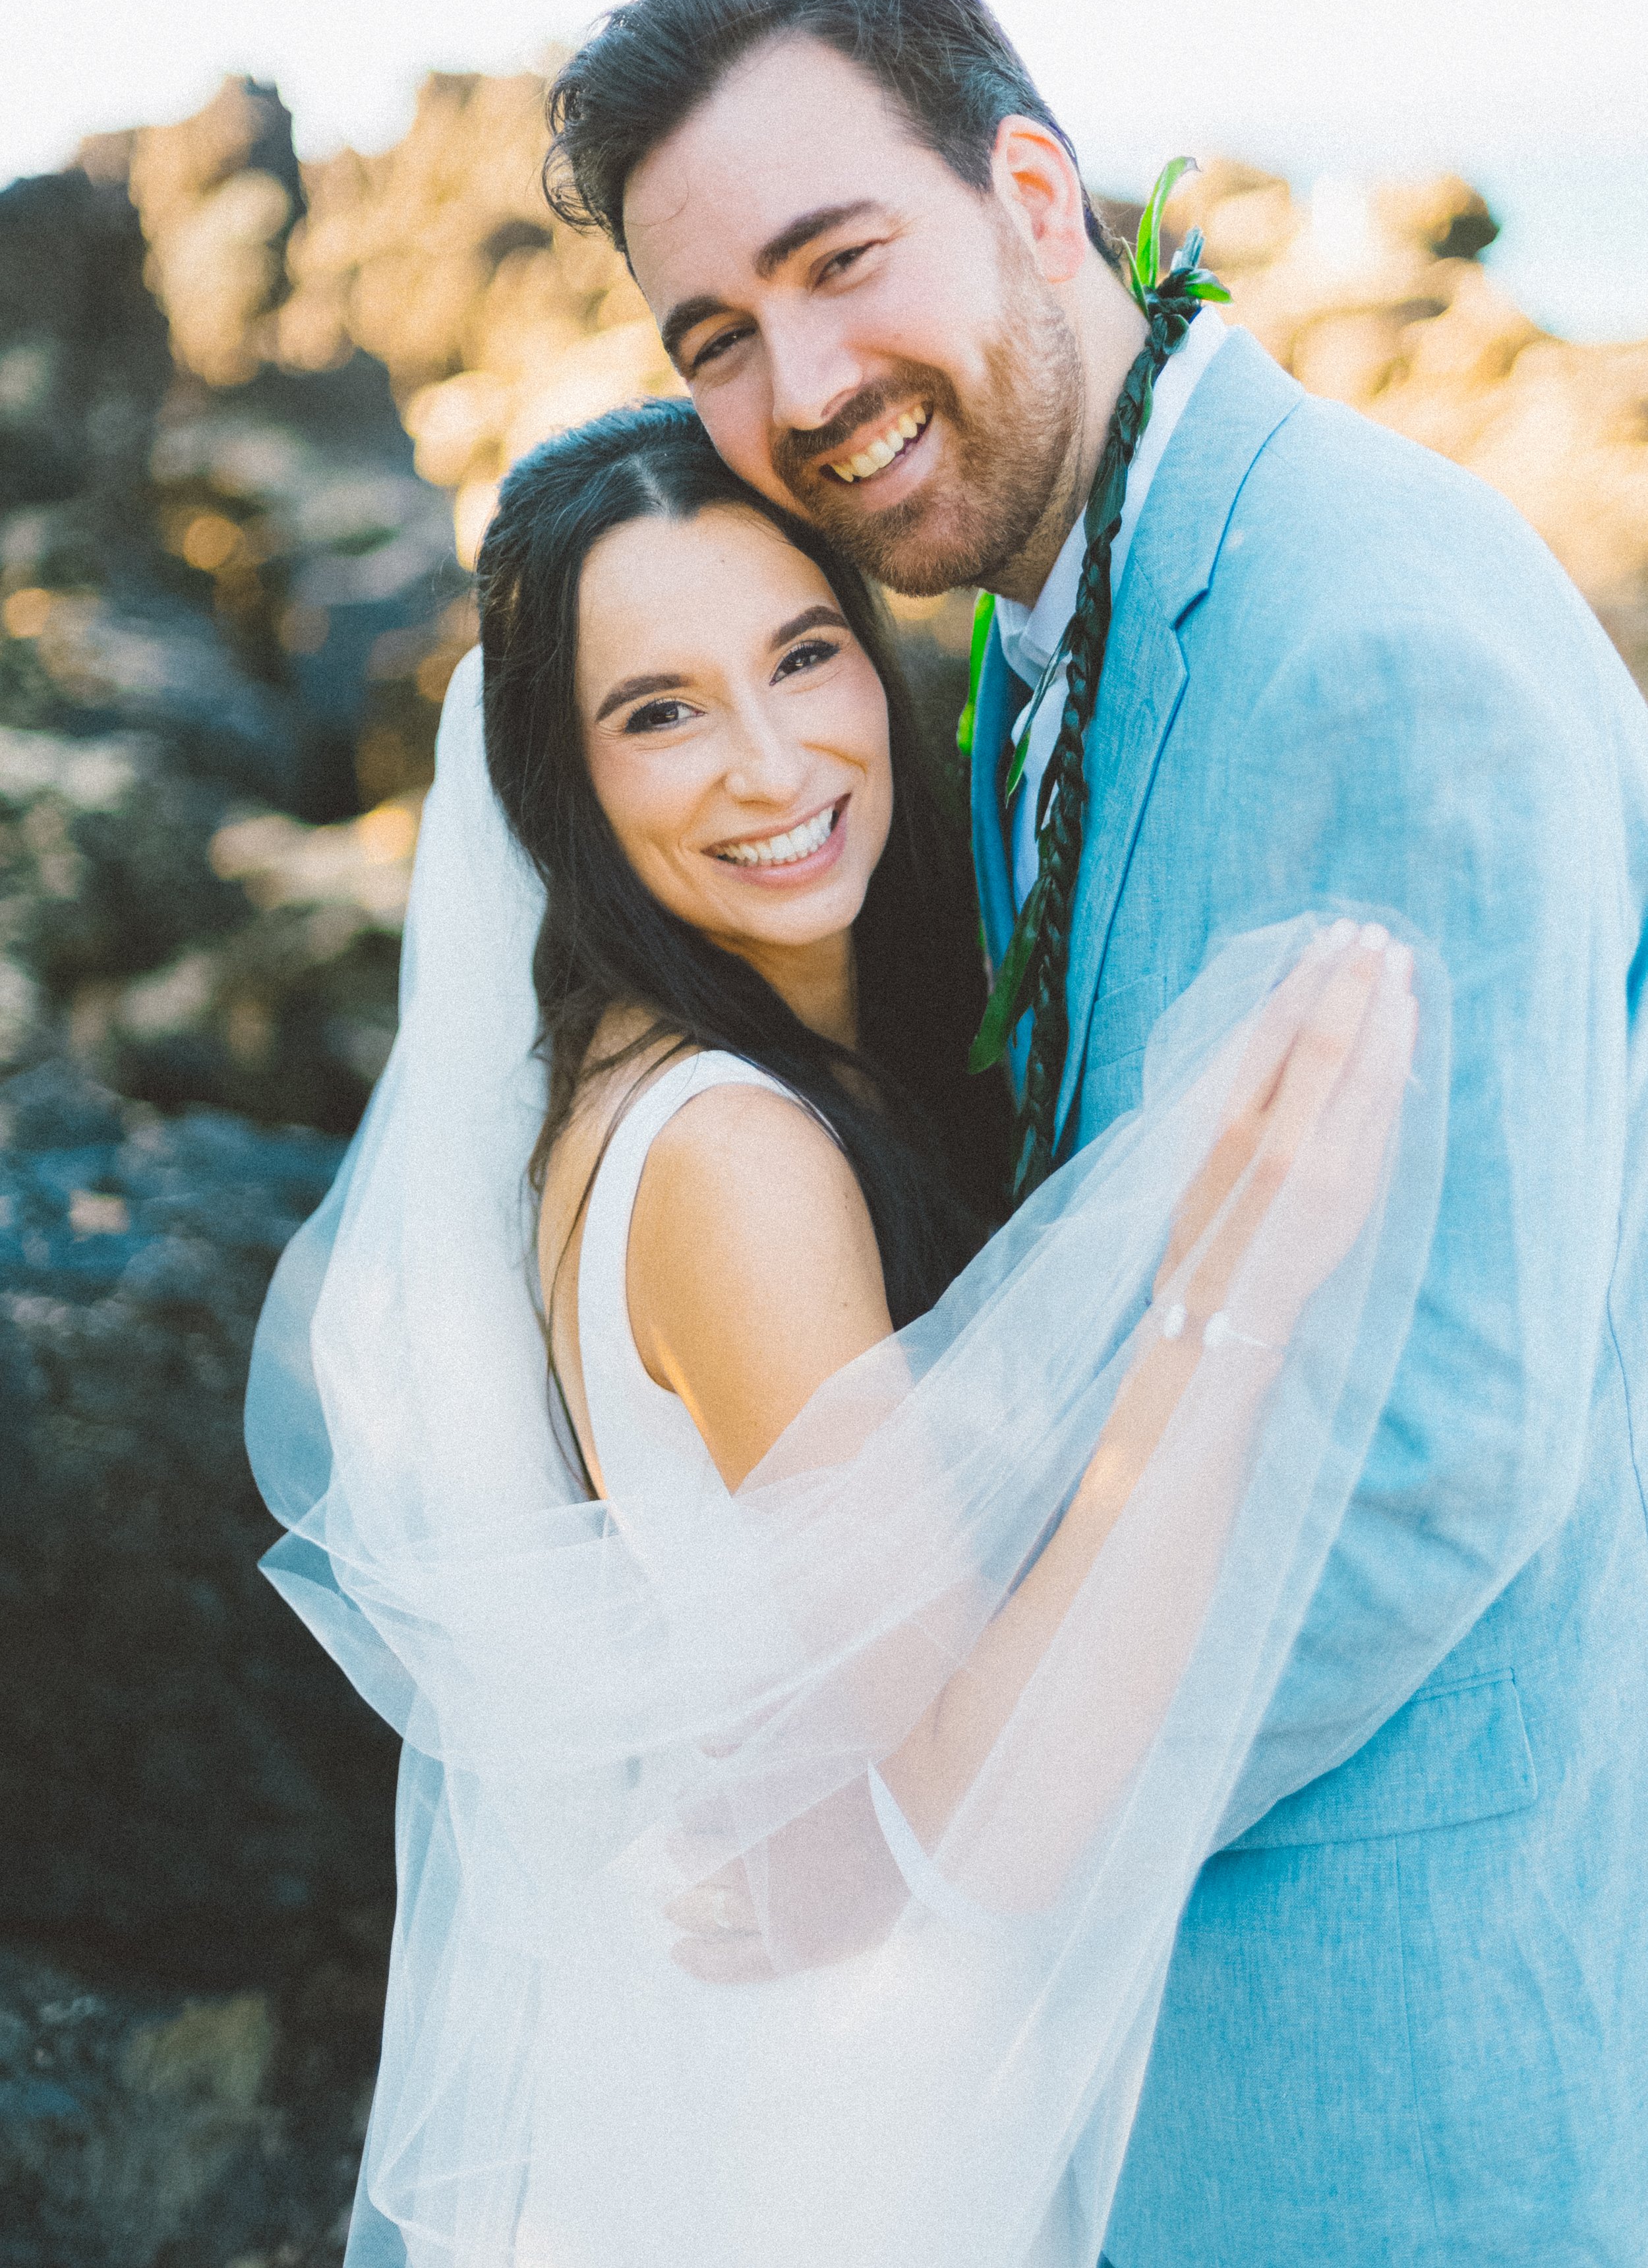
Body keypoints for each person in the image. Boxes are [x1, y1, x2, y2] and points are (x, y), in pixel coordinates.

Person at [539, 0, 1648, 2263]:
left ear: (1034, 191)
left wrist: (963, 1844)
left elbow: (1435, 1451)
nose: (804, 387)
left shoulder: (1365, 640)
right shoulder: (1049, 617)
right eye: (714, 336)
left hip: (1354, 2058)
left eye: (841, 264)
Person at [248, 398, 1432, 2267]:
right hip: (829, 2119)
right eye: (659, 712)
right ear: (562, 778)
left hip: (773, 2031)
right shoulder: (734, 1158)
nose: (770, 759)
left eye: (803, 656)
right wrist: (1233, 1296)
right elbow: (984, 1814)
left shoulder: (674, 1072)